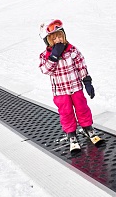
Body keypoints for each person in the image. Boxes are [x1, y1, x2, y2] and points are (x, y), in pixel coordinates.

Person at [39, 19, 96, 153]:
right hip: (60, 92)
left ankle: (88, 128)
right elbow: (45, 70)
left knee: (82, 108)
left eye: (60, 36)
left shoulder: (72, 50)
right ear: (48, 41)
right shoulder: (45, 56)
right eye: (54, 38)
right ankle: (71, 134)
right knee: (66, 112)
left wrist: (87, 81)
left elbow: (81, 65)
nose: (58, 39)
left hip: (76, 88)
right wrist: (53, 57)